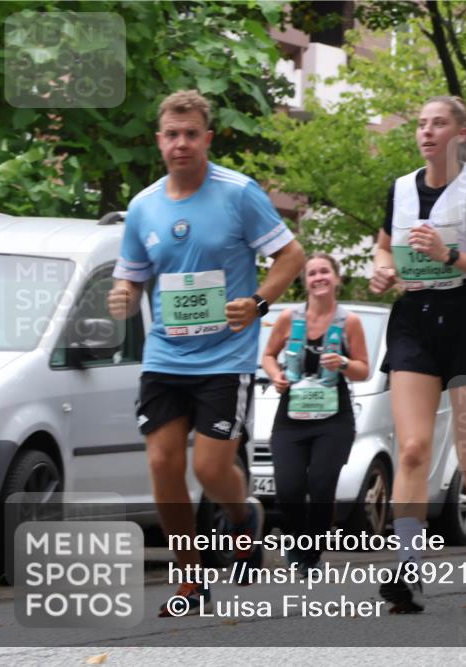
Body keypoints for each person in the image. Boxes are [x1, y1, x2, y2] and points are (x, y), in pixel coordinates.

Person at [107, 90, 306, 616]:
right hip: (166, 357)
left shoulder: (238, 193)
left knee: (212, 468)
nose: (182, 144)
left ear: (207, 139)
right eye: (172, 135)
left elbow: (291, 255)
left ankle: (242, 518)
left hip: (225, 357)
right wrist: (123, 295)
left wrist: (258, 302)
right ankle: (190, 578)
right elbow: (131, 278)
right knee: (162, 464)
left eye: (191, 134)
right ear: (159, 141)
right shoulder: (143, 206)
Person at [369, 96, 466, 613]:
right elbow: (383, 246)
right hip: (415, 320)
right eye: (421, 124)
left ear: (461, 133)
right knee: (412, 449)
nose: (426, 131)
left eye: (438, 123)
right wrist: (382, 268)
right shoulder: (399, 189)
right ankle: (408, 570)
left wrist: (449, 255)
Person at [260, 253, 369, 576]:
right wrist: (276, 376)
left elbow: (363, 369)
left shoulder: (349, 322)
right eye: (312, 273)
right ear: (305, 282)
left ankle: (311, 554)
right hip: (291, 416)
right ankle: (297, 541)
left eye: (325, 272)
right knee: (288, 489)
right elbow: (268, 355)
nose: (319, 277)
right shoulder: (289, 318)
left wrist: (344, 363)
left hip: (333, 418)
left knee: (321, 486)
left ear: (337, 279)